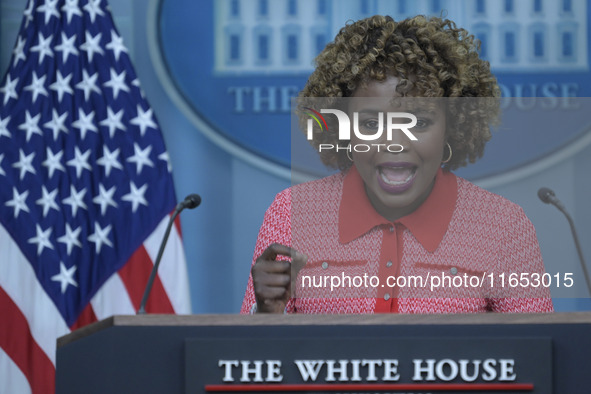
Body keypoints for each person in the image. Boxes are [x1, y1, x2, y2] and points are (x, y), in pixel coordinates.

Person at [240, 15, 554, 314]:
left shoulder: (504, 227)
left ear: (452, 126)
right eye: (372, 123)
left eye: (418, 122)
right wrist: (267, 313)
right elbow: (248, 363)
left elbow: (536, 357)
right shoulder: (291, 213)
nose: (394, 142)